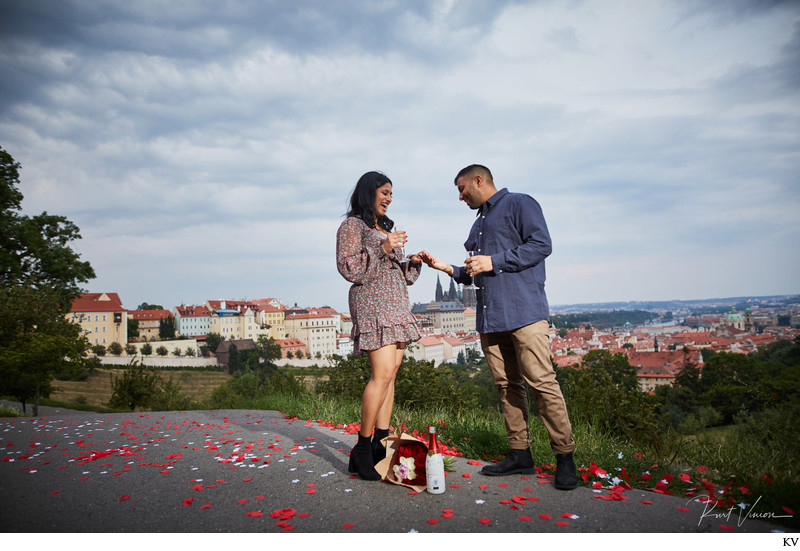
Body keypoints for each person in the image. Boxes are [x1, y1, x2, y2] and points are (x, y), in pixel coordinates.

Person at [419, 164, 577, 490]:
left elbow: (541, 244)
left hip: (524, 313)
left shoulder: (520, 203)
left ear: (479, 180)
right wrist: (446, 267)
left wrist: (494, 261)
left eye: (462, 189)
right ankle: (520, 455)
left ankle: (565, 458)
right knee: (507, 388)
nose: (460, 197)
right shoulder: (479, 223)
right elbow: (476, 271)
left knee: (542, 384)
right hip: (491, 318)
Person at [336, 171, 424, 481]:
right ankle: (361, 448)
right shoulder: (352, 226)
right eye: (383, 192)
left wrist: (412, 262)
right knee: (381, 375)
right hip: (373, 305)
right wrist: (384, 247)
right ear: (368, 192)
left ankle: (380, 444)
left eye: (391, 194)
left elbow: (399, 275)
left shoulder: (384, 228)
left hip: (396, 305)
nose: (388, 198)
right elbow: (350, 268)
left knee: (390, 376)